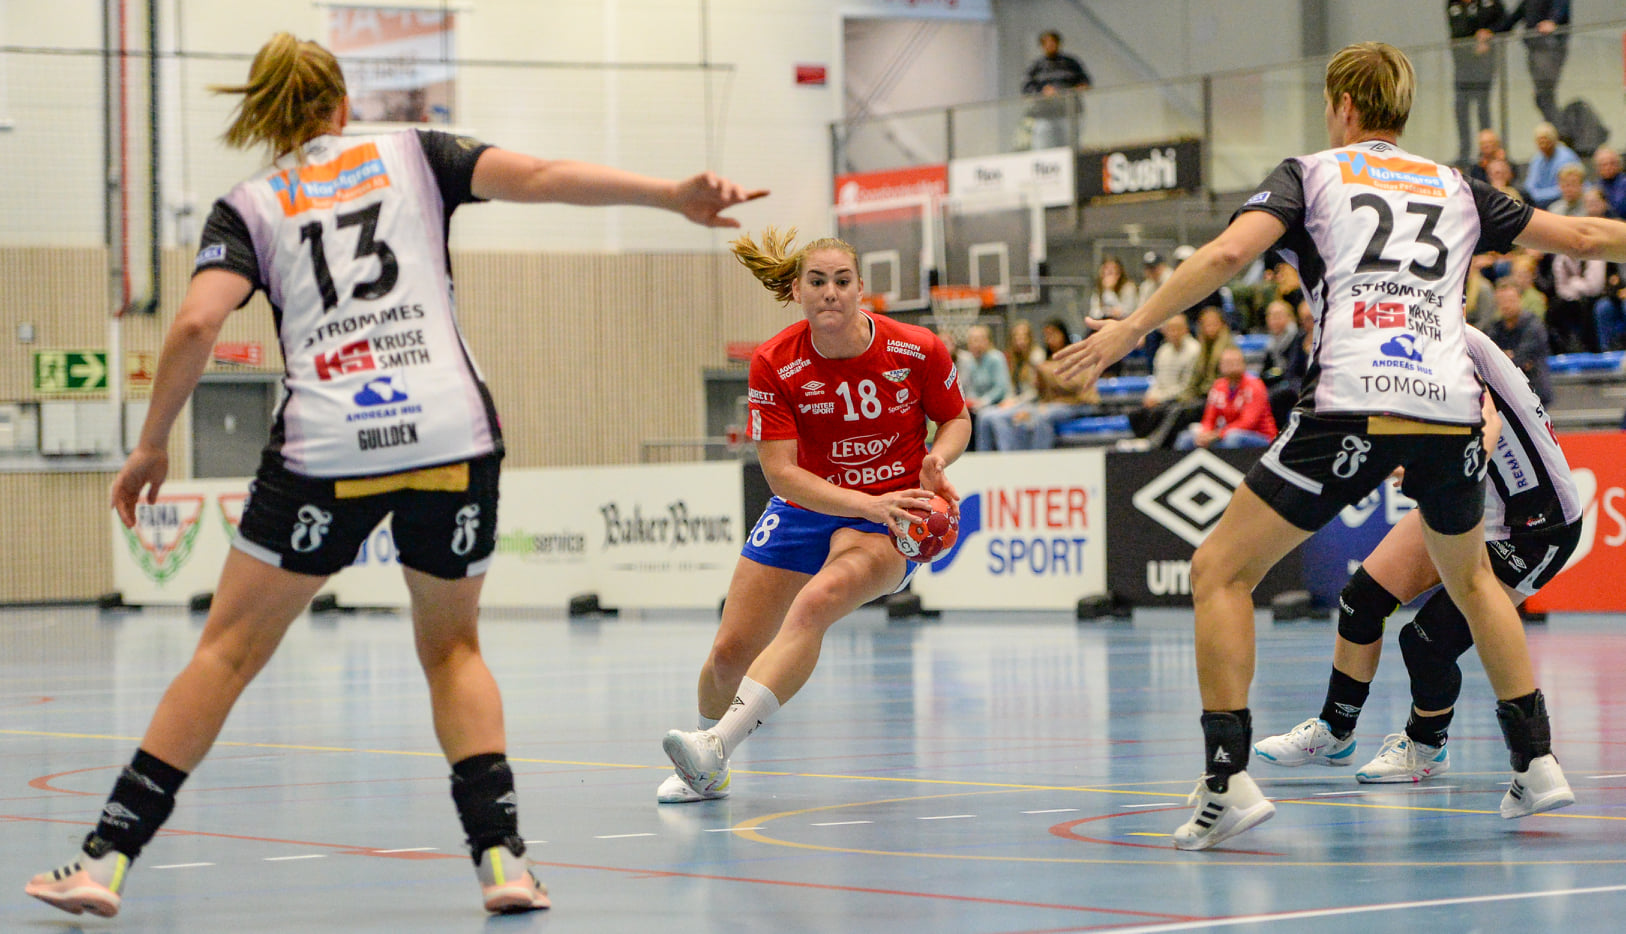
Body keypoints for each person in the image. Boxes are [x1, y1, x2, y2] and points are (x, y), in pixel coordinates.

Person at [23, 33, 764, 918]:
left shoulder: (248, 206)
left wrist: (151, 445)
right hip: (450, 434)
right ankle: (503, 862)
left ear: (263, 113)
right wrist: (670, 195)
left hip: (328, 446)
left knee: (225, 653)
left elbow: (192, 325)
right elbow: (540, 175)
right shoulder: (416, 153)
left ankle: (107, 858)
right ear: (343, 103)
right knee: (453, 650)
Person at [1055, 41, 1626, 851]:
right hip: (1448, 408)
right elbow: (1585, 236)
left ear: (1345, 107)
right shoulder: (1455, 185)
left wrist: (1131, 329)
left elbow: (1229, 253)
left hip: (1355, 398)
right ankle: (1536, 764)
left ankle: (1225, 780)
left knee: (1220, 571)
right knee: (1471, 581)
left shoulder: (1311, 174)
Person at [658, 228, 969, 803]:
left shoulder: (917, 348)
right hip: (807, 507)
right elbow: (781, 474)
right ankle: (705, 765)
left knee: (815, 604)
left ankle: (715, 748)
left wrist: (937, 459)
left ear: (860, 289)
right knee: (727, 655)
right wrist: (864, 502)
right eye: (818, 281)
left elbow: (956, 418)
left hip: (892, 517)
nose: (831, 292)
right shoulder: (774, 362)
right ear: (797, 291)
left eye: (842, 281)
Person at [1255, 324, 1582, 784]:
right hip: (1473, 496)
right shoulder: (1400, 344)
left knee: (1427, 643)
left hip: (1536, 524)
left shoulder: (1446, 339)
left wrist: (1454, 467)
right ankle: (1335, 730)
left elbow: (1487, 421)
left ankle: (1427, 745)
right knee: (1361, 600)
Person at [1484, 0, 1570, 128]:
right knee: (1542, 97)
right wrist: (1492, 31)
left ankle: (1560, 130)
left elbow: (1560, 5)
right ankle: (1557, 129)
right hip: (1534, 49)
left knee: (1544, 95)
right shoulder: (1529, 2)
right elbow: (1512, 19)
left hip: (1549, 48)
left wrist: (1552, 21)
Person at [1173, 346, 1277, 450]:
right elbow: (1209, 419)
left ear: (1243, 364)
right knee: (1185, 438)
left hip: (1260, 436)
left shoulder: (1255, 386)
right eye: (1227, 362)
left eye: (1235, 362)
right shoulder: (1218, 386)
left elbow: (1248, 422)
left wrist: (1218, 434)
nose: (1231, 366)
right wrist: (1205, 434)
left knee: (1233, 438)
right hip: (1225, 433)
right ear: (1220, 366)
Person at [1447, 1, 1503, 167]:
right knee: (1461, 109)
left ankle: (1486, 152)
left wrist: (1489, 32)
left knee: (1482, 108)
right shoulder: (1453, 4)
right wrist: (1475, 39)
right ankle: (1464, 153)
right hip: (1462, 67)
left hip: (1483, 67)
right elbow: (1457, 31)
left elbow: (1503, 20)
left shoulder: (1488, 3)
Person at [1020, 30, 1091, 151]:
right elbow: (1026, 88)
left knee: (1070, 148)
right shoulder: (1036, 66)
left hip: (1068, 113)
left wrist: (1074, 89)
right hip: (1045, 115)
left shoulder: (1070, 63)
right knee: (1043, 148)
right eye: (1046, 43)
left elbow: (1084, 81)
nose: (1050, 45)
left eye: (1052, 42)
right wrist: (1042, 91)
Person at [1489, 279, 1556, 404]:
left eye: (1510, 300)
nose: (1506, 305)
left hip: (1535, 392)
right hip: (1506, 394)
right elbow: (1488, 360)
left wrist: (1503, 357)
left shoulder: (1534, 326)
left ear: (1520, 299)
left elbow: (1520, 358)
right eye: (1501, 301)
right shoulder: (1495, 329)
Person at [959, 324, 1014, 449]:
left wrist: (984, 401)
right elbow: (969, 386)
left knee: (984, 417)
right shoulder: (969, 361)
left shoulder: (996, 358)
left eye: (979, 339)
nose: (976, 344)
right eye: (973, 340)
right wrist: (973, 401)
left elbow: (1000, 388)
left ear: (987, 341)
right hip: (978, 405)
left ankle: (984, 451)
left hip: (1000, 403)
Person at [1520, 121, 1582, 209]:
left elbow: (1565, 188)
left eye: (1546, 141)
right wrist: (1532, 196)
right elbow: (1529, 185)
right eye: (1540, 142)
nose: (1543, 145)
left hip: (1563, 200)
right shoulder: (1537, 158)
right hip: (1539, 202)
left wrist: (1536, 195)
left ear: (1554, 140)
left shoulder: (1566, 157)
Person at [1594, 146, 1626, 219]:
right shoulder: (1595, 187)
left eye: (1612, 163)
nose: (1608, 167)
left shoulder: (1624, 184)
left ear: (1619, 165)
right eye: (1604, 164)